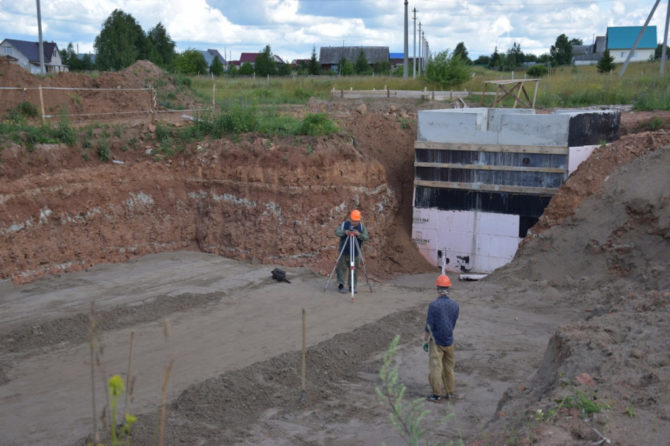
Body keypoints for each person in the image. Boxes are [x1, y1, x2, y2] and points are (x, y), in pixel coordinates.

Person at [423, 274, 459, 402]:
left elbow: (429, 326)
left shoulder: (434, 306)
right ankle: (450, 393)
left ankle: (436, 394)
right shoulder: (455, 305)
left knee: (436, 368)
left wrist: (425, 341)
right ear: (448, 288)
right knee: (449, 369)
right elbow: (453, 323)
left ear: (438, 289)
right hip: (449, 340)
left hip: (437, 342)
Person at [334, 209, 370, 293]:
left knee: (354, 270)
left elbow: (366, 237)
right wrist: (344, 232)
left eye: (357, 221)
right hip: (344, 252)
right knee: (341, 269)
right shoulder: (344, 225)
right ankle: (341, 285)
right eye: (354, 221)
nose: (355, 223)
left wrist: (359, 234)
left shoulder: (361, 227)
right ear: (350, 218)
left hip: (355, 253)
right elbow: (336, 232)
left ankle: (352, 286)